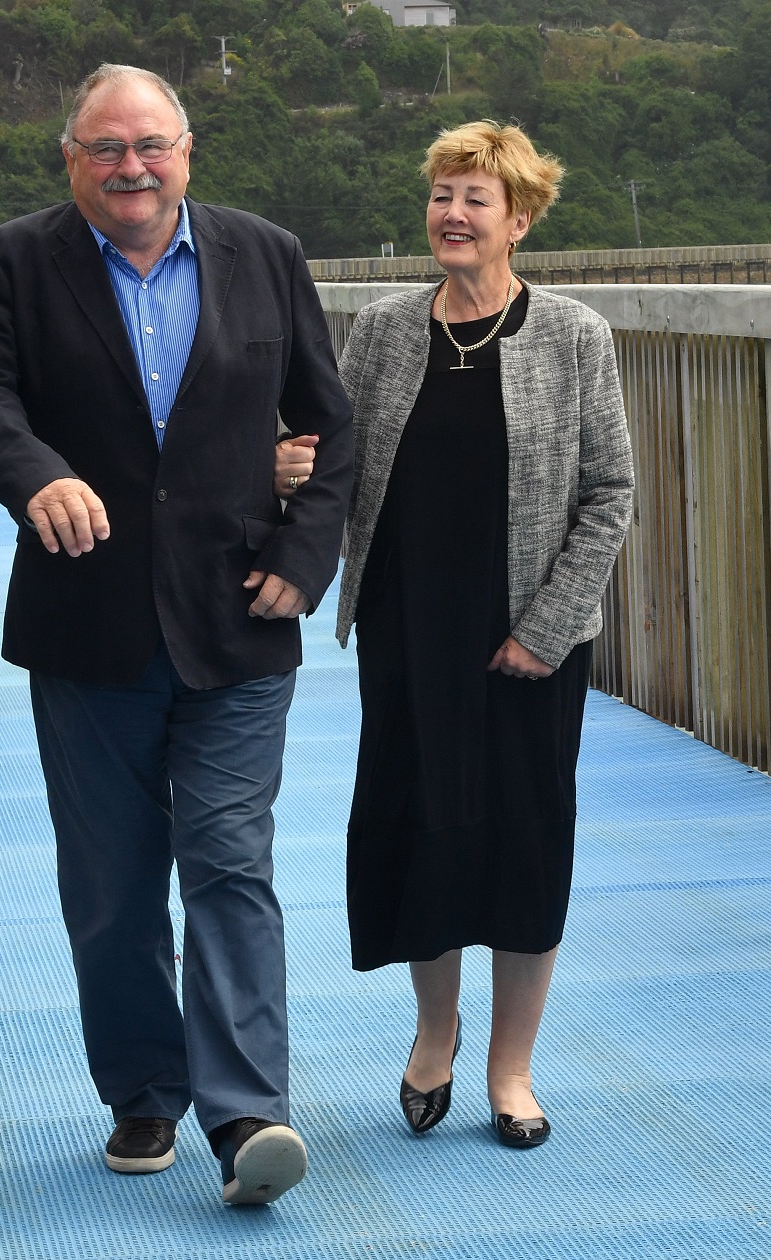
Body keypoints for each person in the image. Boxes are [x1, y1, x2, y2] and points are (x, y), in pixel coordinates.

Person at [0, 63, 353, 1204]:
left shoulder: (264, 251)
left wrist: (304, 559)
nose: (132, 167)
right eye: (107, 148)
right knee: (115, 884)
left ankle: (248, 1113)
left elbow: (331, 420)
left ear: (188, 149)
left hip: (238, 619)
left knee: (229, 862)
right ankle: (143, 1093)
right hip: (90, 624)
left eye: (151, 145)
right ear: (70, 158)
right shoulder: (13, 260)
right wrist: (37, 477)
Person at [277, 121, 633, 1149]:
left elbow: (610, 494)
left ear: (519, 218)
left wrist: (549, 627)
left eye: (476, 197)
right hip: (407, 625)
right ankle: (434, 1036)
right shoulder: (385, 327)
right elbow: (339, 465)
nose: (453, 213)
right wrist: (291, 478)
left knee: (525, 841)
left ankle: (511, 1068)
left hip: (528, 640)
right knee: (419, 830)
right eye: (442, 193)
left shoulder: (573, 334)